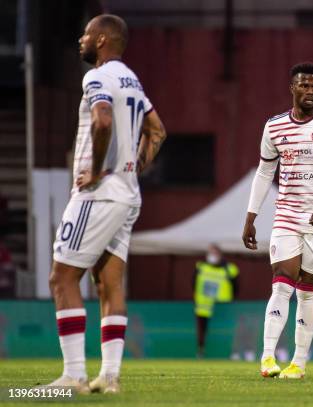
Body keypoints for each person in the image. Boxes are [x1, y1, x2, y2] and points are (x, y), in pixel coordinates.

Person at [41, 14, 167, 393]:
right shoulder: (132, 80)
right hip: (128, 194)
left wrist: (97, 172)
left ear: (100, 40)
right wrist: (132, 168)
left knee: (62, 278)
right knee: (109, 283)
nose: (80, 39)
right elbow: (157, 131)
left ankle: (74, 375)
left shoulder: (96, 77)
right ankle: (109, 377)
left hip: (97, 195)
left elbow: (102, 121)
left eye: (85, 34)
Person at [242, 62, 313, 379]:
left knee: (308, 289)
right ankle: (267, 358)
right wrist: (251, 217)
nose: (310, 91)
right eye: (304, 85)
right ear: (291, 87)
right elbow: (265, 172)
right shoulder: (274, 126)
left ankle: (299, 363)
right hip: (287, 215)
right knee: (283, 280)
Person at [193, 244, 239, 358]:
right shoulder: (201, 267)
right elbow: (193, 284)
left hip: (222, 307)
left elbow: (236, 287)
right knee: (203, 330)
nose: (212, 256)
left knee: (223, 331)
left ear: (220, 255)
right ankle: (201, 352)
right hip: (203, 306)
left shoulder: (229, 269)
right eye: (210, 253)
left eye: (215, 253)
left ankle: (228, 352)